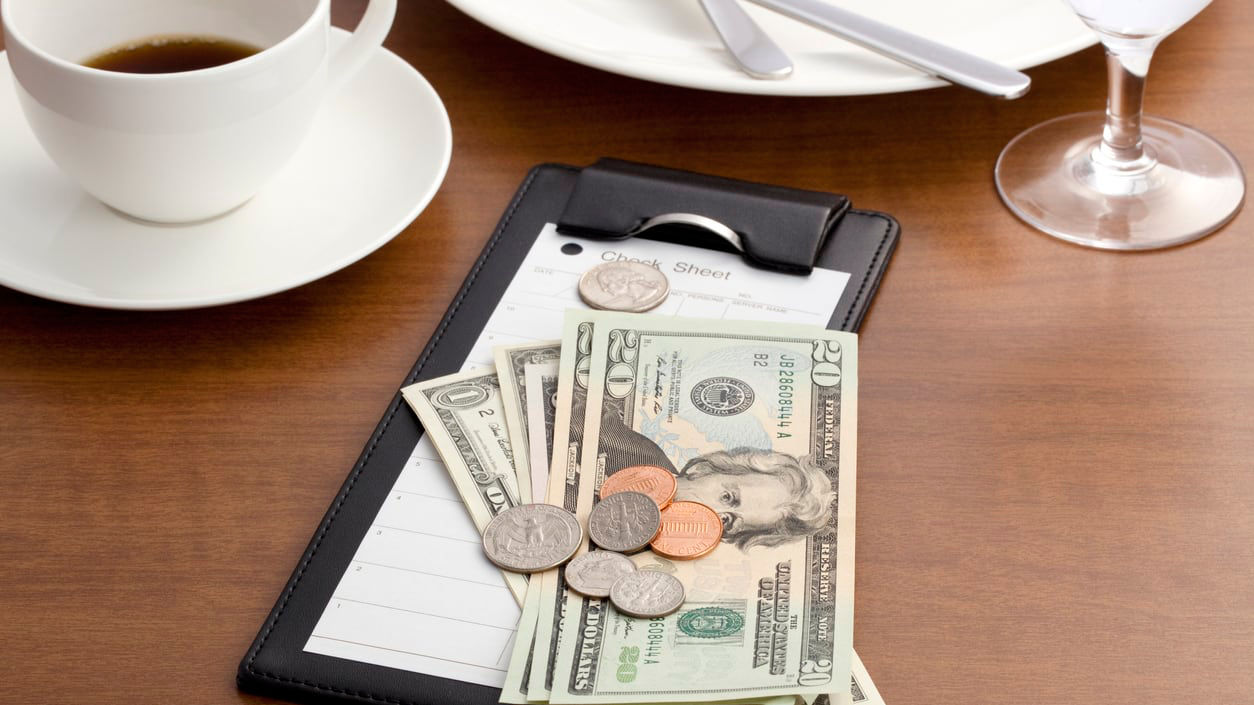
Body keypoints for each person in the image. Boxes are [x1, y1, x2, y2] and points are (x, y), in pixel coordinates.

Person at [594, 406, 836, 550]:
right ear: (702, 469)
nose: (711, 513)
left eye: (727, 521)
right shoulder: (608, 436)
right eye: (727, 497)